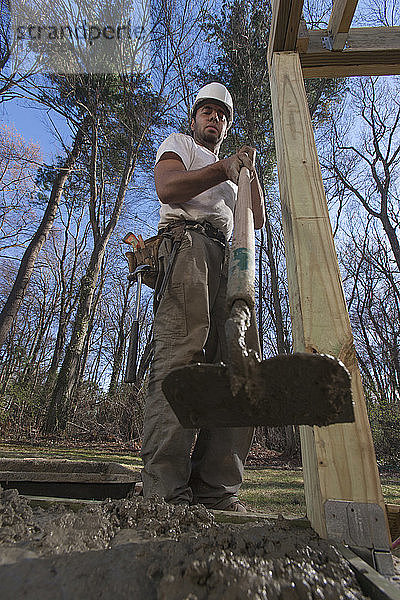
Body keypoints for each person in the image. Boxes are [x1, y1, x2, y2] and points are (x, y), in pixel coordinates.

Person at [140, 82, 265, 511]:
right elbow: (169, 189)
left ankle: (216, 488)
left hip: (230, 262)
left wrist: (250, 176)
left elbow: (258, 220)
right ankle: (166, 491)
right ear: (194, 119)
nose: (214, 118)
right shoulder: (180, 146)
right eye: (207, 111)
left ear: (227, 126)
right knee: (183, 355)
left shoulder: (233, 173)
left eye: (222, 115)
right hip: (187, 246)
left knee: (235, 363)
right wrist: (222, 169)